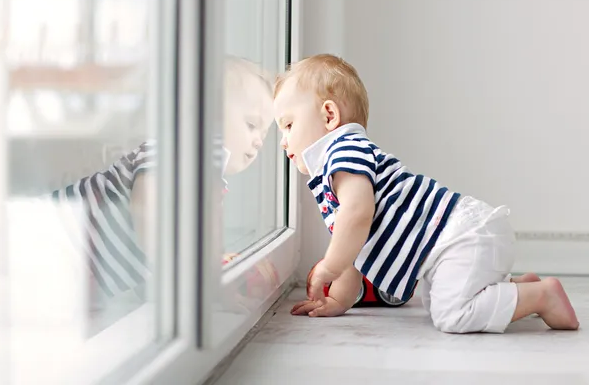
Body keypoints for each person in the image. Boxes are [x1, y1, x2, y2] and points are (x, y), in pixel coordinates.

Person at [275, 54, 579, 333]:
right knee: (436, 302)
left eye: (288, 125)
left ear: (329, 116)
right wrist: (339, 301)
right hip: (462, 238)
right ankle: (514, 288)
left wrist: (330, 265)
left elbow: (356, 216)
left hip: (462, 235)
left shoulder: (343, 152)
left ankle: (542, 296)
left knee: (451, 314)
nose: (284, 141)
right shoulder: (341, 164)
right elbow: (356, 247)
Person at [50, 56, 274, 298]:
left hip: (77, 278)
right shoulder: (170, 153)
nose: (259, 140)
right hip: (49, 242)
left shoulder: (210, 184)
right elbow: (149, 219)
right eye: (252, 125)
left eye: (265, 131)